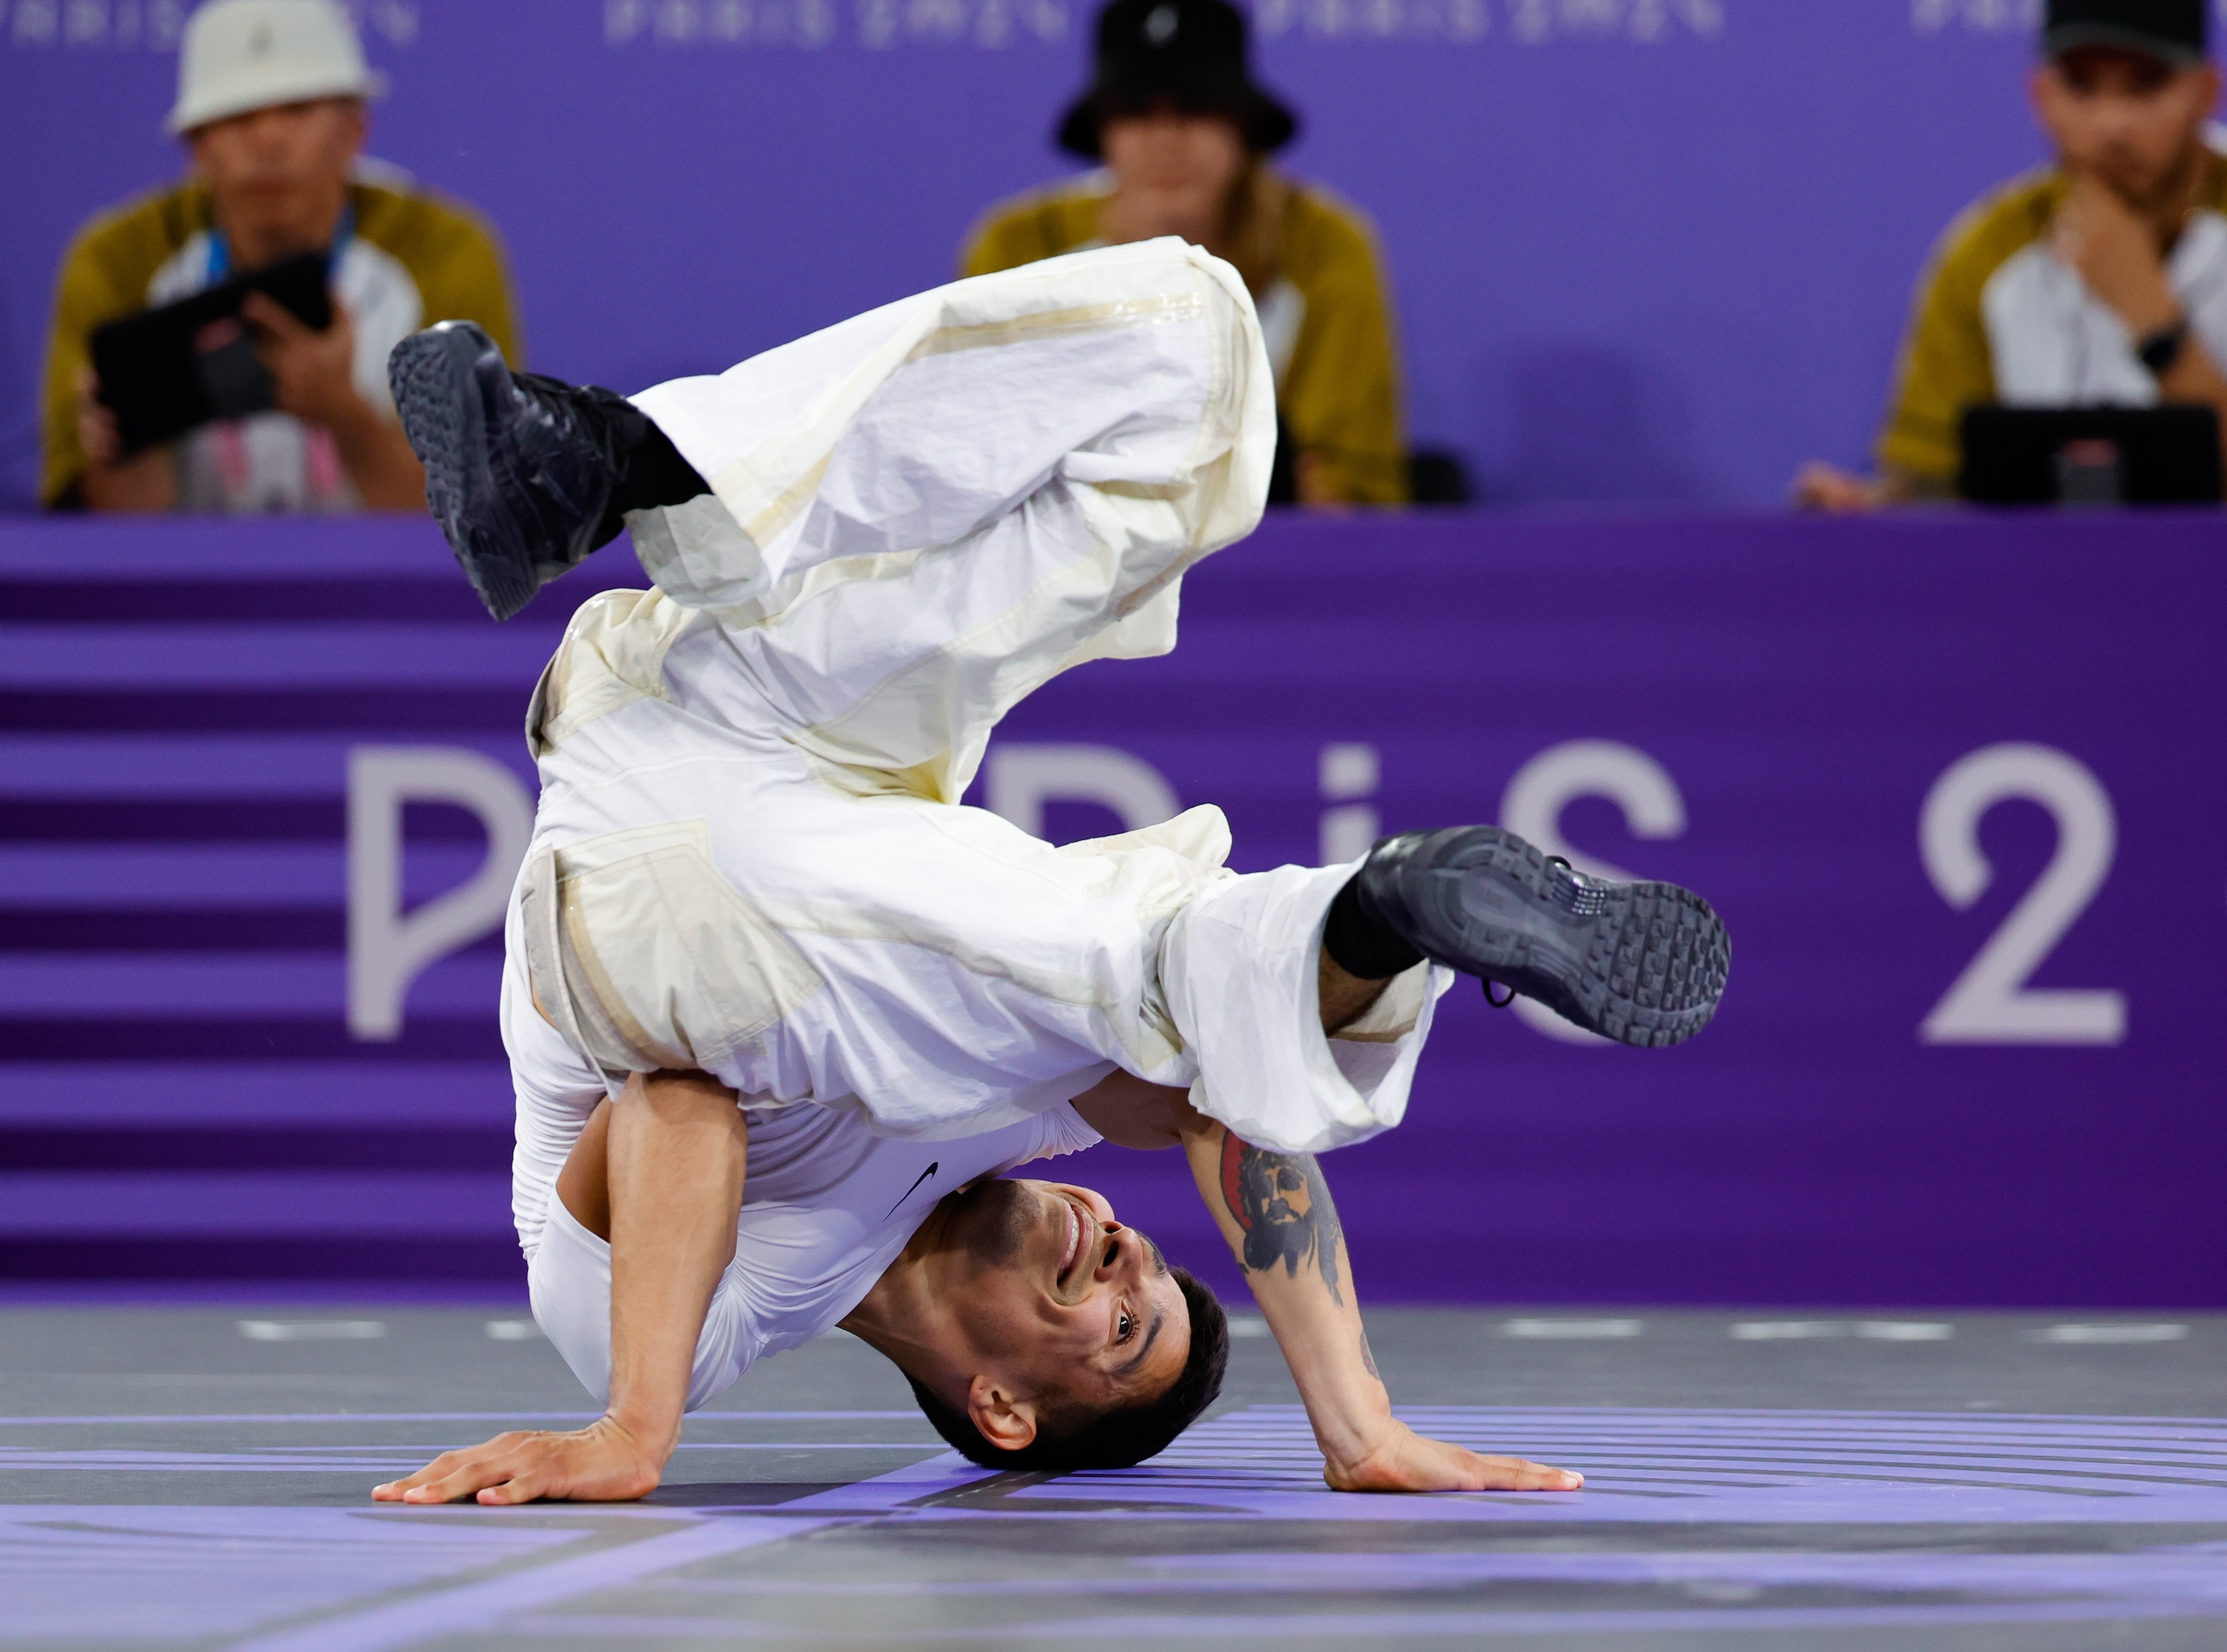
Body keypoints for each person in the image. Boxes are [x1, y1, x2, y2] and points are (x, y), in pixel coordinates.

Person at [368, 239, 1727, 1503]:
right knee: (1193, 369)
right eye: (1154, 1268)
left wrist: (635, 1430)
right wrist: (1357, 1421)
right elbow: (1222, 1112)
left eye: (1122, 1325)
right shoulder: (1009, 1108)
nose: (1127, 1256)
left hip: (655, 889)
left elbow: (671, 1095)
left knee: (1115, 970)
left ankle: (1375, 923)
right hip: (760, 718)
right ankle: (602, 458)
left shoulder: (722, 1325)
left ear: (1003, 1409)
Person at [41, 0, 519, 514]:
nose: (268, 140)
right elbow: (108, 550)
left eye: (297, 109)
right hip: (182, 588)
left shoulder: (444, 253)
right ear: (196, 145)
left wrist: (346, 417)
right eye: (238, 116)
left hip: (386, 593)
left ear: (355, 129)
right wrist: (120, 451)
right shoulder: (119, 262)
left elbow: (485, 520)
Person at [961, 0, 1409, 508]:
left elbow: (1346, 503)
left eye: (1198, 109)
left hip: (1269, 568)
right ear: (1101, 131)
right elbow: (988, 472)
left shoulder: (1325, 247)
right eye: (1136, 111)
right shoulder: (1021, 247)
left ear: (1244, 129)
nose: (1167, 139)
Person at [1797, 0, 2227, 509]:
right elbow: (1933, 484)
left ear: (2205, 93)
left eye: (2145, 86)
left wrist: (2151, 318)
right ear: (2041, 95)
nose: (2112, 125)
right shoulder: (1988, 251)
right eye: (2081, 87)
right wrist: (1873, 510)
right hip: (2044, 582)